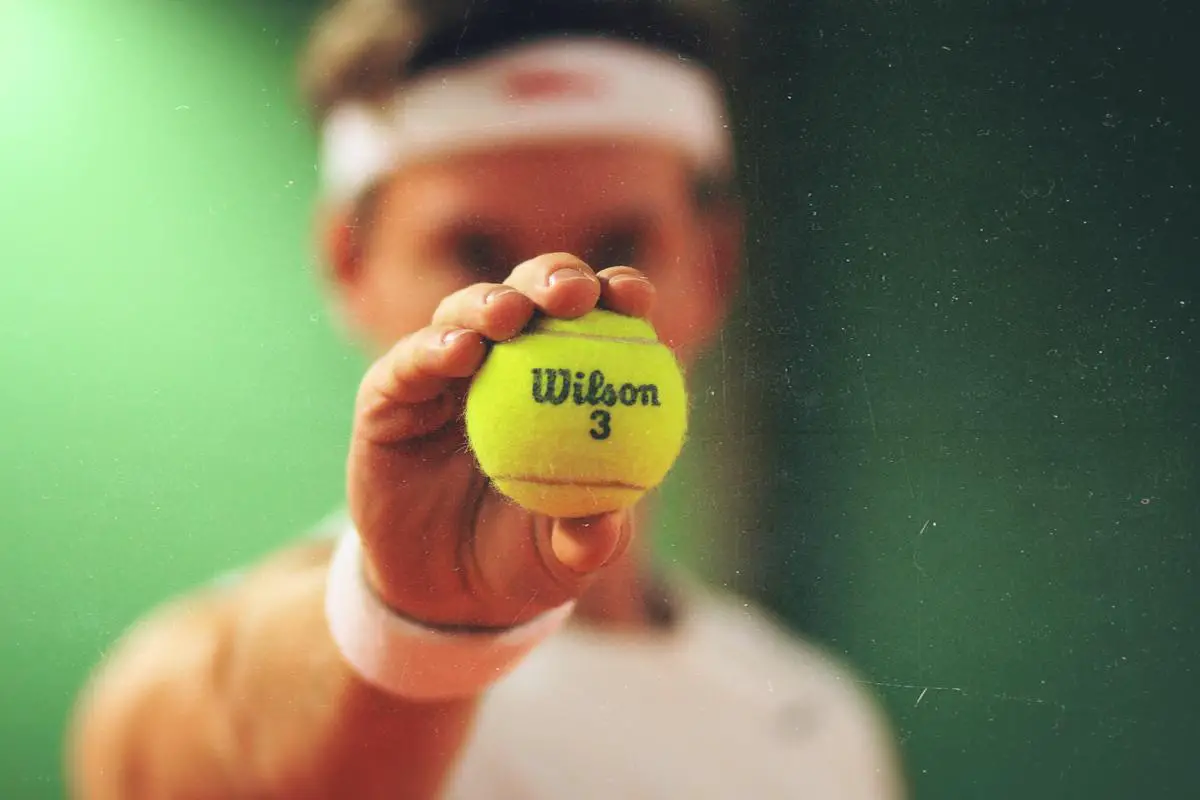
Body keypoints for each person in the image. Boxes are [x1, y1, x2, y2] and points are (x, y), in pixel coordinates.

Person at [67, 1, 906, 797]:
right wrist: (410, 624)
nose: (554, 301)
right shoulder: (198, 681)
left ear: (715, 267)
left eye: (620, 247)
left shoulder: (821, 720)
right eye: (476, 251)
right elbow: (164, 756)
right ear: (349, 267)